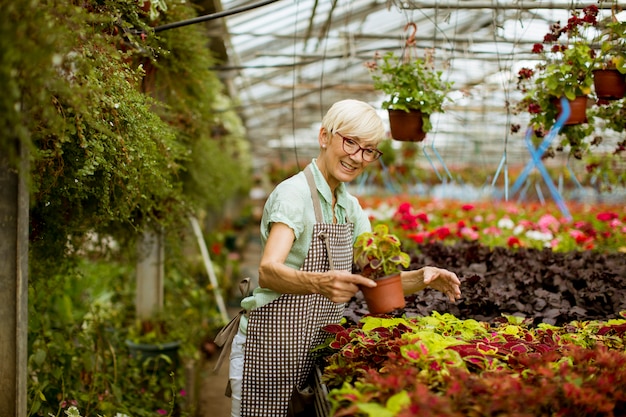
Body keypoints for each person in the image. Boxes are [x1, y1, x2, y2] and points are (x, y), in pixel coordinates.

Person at [227, 99, 461, 417]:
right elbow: (269, 271)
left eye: (368, 150)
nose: (357, 157)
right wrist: (320, 282)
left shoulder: (348, 207)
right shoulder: (293, 195)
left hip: (312, 353)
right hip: (271, 350)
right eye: (350, 142)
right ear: (325, 137)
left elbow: (376, 282)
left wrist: (422, 278)